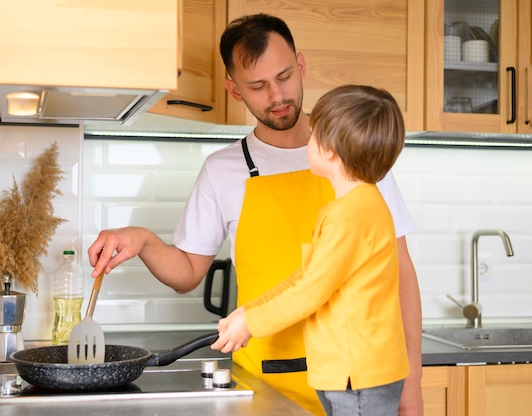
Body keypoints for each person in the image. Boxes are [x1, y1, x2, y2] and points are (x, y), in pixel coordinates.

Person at [88, 13, 423, 415]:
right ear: (234, 89)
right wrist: (143, 240)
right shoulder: (222, 170)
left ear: (300, 65)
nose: (277, 95)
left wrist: (412, 381)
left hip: (360, 377)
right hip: (265, 385)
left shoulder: (358, 151)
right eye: (258, 86)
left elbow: (399, 271)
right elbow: (189, 271)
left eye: (284, 76)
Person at [210, 84, 409, 415]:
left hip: (358, 374)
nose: (308, 142)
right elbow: (304, 277)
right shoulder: (345, 208)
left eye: (314, 136)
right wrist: (247, 312)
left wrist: (251, 325)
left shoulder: (352, 215)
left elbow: (309, 293)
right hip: (344, 370)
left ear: (330, 151)